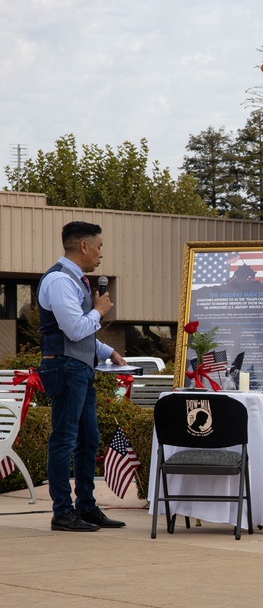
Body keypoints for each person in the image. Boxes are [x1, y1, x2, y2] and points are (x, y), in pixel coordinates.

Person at [37, 221, 127, 532]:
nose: (101, 254)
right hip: (64, 367)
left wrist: (105, 350)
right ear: (84, 246)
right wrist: (99, 310)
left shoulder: (75, 281)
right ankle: (63, 512)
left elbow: (77, 331)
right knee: (64, 439)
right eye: (99, 247)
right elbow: (74, 329)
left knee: (89, 439)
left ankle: (86, 507)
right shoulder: (60, 281)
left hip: (79, 366)